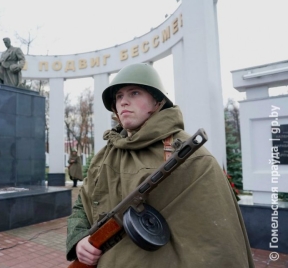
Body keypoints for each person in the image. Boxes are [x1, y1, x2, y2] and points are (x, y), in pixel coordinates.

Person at [66, 63, 254, 267]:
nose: (124, 102)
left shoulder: (190, 155)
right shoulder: (106, 154)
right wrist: (79, 240)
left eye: (134, 93)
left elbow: (215, 242)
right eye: (119, 96)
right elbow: (82, 205)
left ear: (157, 101)